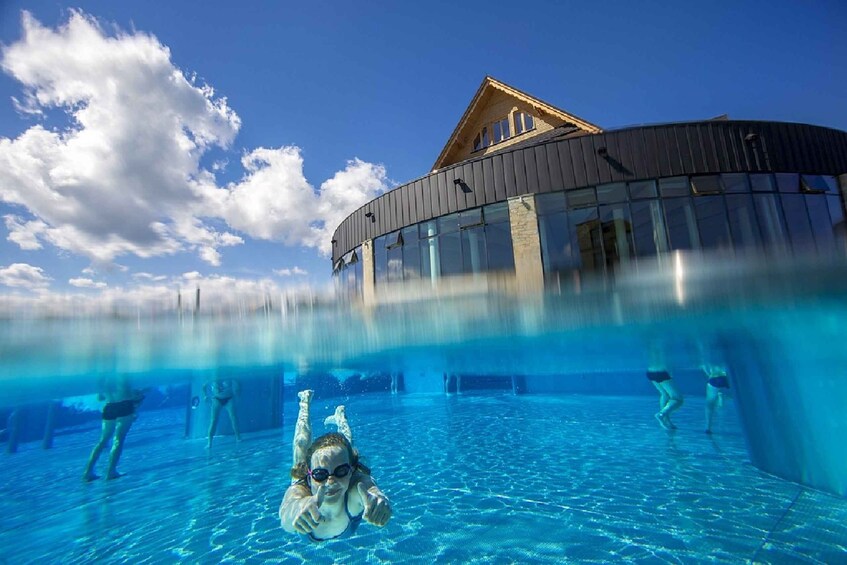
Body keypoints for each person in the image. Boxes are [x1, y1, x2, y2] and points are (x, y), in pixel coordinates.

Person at [279, 390, 391, 541]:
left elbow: (368, 487)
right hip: (307, 484)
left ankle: (341, 418)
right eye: (320, 474)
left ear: (351, 471)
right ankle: (304, 403)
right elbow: (287, 513)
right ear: (310, 475)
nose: (330, 482)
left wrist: (378, 499)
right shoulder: (299, 490)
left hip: (348, 466)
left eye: (341, 471)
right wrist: (299, 509)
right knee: (301, 445)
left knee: (346, 448)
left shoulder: (354, 490)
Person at [82, 377, 144, 481]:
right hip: (124, 406)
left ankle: (88, 472)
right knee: (118, 440)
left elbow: (100, 397)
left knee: (102, 441)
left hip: (109, 406)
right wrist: (140, 394)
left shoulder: (103, 377)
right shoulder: (123, 374)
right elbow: (129, 394)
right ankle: (111, 471)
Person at [647, 341, 683, 431]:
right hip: (661, 372)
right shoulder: (664, 345)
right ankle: (661, 414)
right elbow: (668, 361)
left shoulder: (651, 346)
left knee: (664, 394)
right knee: (677, 398)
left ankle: (667, 420)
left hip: (650, 372)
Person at [204, 378, 242, 448]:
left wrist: (238, 391)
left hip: (229, 398)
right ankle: (209, 442)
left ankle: (238, 437)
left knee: (233, 418)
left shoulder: (228, 374)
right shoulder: (214, 375)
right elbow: (204, 385)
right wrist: (205, 395)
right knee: (213, 421)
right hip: (216, 399)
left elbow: (237, 381)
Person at [703, 363, 730, 434]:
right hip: (726, 377)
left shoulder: (708, 356)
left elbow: (705, 367)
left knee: (710, 403)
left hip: (714, 378)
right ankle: (720, 394)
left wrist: (709, 375)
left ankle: (708, 427)